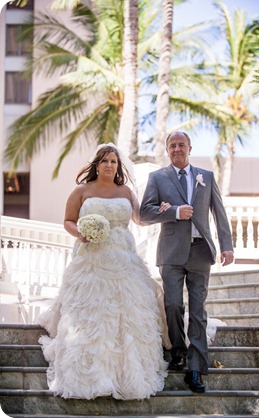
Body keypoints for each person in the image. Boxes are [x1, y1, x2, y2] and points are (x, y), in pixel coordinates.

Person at [38, 143, 168, 401]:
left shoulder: (125, 191)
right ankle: (91, 371)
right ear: (96, 165)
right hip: (92, 257)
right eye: (105, 161)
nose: (110, 165)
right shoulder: (82, 191)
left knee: (129, 310)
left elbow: (139, 219)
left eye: (114, 162)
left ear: (118, 167)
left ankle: (127, 371)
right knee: (92, 311)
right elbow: (68, 221)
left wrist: (161, 212)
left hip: (124, 258)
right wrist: (81, 233)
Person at [140, 131, 234, 393]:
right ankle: (178, 351)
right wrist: (174, 212)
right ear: (167, 150)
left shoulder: (207, 176)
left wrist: (226, 246)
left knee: (198, 311)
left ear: (190, 148)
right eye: (172, 145)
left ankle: (195, 369)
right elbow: (145, 212)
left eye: (181, 144)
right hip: (170, 253)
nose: (177, 149)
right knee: (172, 304)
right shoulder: (157, 178)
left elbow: (219, 213)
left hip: (201, 252)